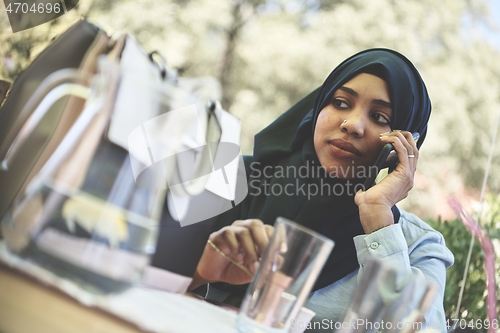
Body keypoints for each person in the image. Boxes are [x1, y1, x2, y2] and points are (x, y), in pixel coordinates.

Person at [188, 48, 454, 331]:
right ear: (317, 108)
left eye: (379, 117)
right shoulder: (230, 178)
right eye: (340, 102)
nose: (352, 125)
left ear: (402, 145)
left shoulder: (418, 247)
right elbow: (145, 274)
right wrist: (200, 272)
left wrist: (378, 222)